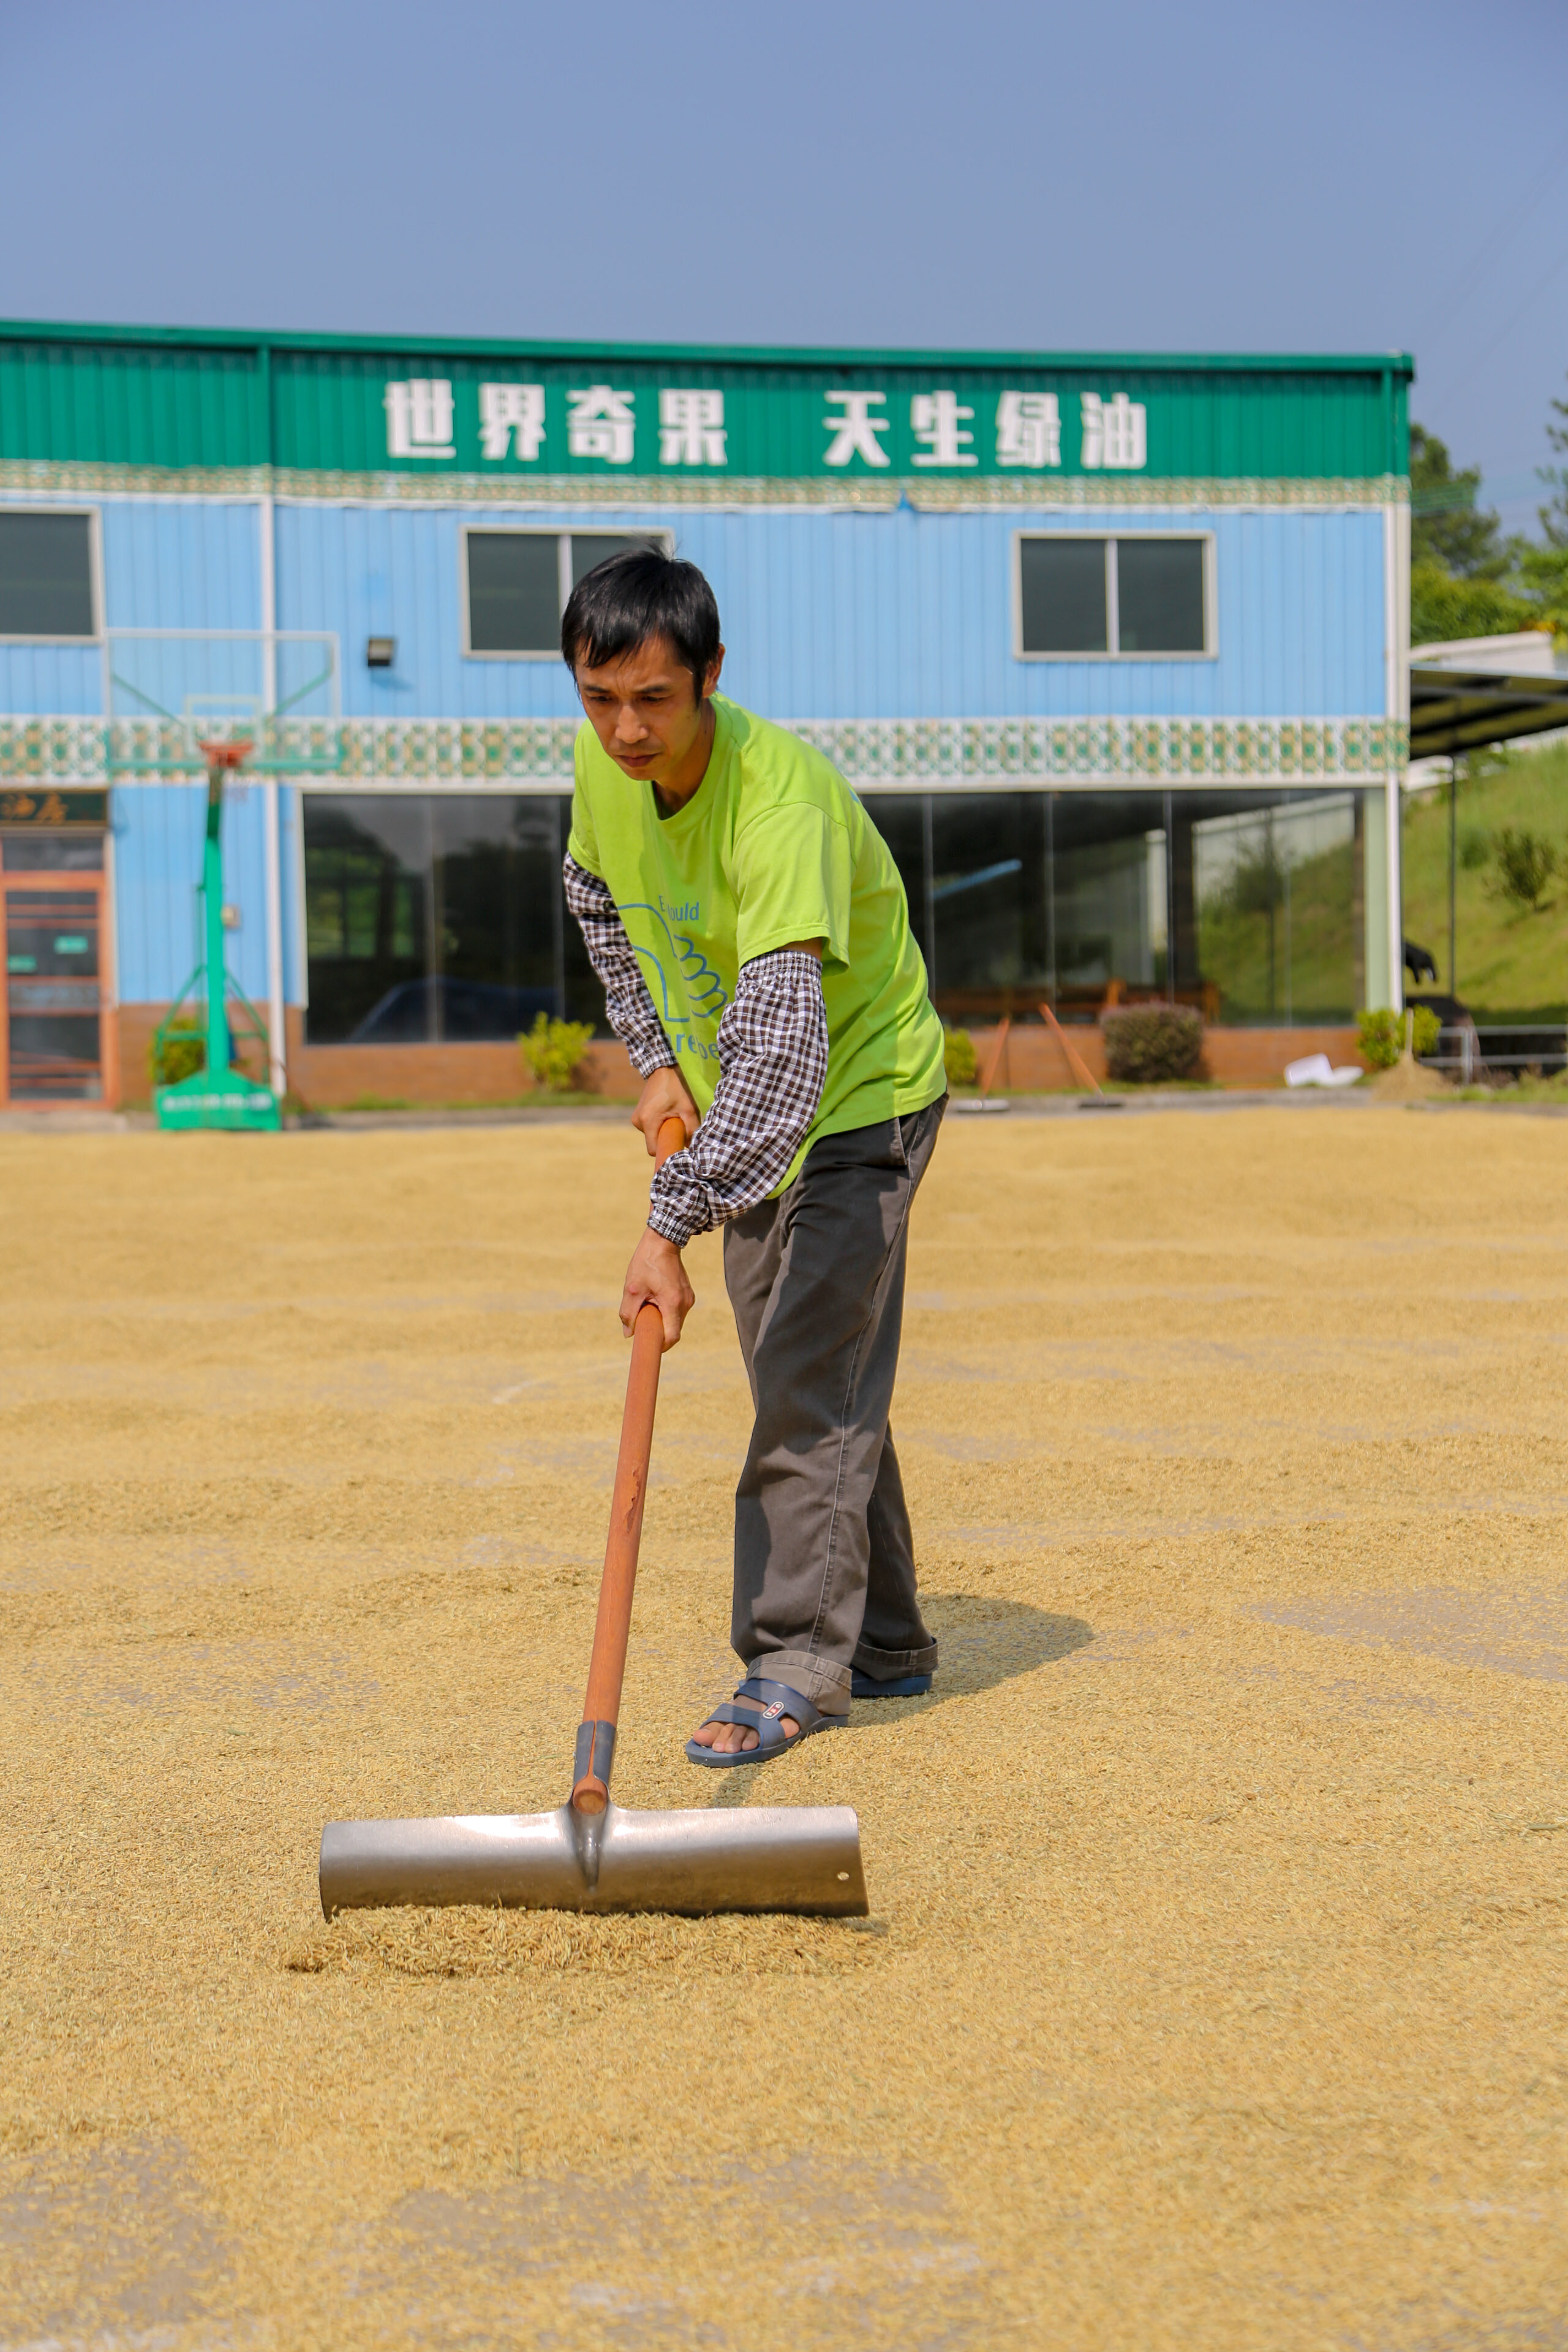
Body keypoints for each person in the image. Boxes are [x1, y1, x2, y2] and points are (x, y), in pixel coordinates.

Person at [560, 547, 948, 1766]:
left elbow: (785, 1060)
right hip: (736, 1102)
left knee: (803, 1375)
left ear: (710, 677)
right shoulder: (599, 763)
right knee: (817, 1378)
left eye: (652, 701)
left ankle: (792, 1661)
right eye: (597, 697)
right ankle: (882, 1644)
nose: (623, 730)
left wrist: (666, 1223)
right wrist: (654, 1057)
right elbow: (595, 897)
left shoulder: (774, 805)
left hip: (856, 1103)